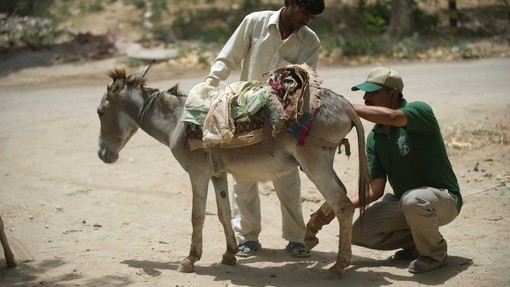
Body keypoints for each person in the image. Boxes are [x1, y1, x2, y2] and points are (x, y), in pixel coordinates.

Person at [306, 67, 462, 273]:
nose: (365, 97)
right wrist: (338, 207)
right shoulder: (374, 137)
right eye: (365, 92)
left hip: (443, 199)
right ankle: (416, 243)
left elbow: (393, 117)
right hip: (405, 204)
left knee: (413, 200)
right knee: (359, 231)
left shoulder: (420, 111)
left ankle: (435, 254)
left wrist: (343, 107)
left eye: (372, 92)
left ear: (393, 94)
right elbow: (375, 189)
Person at [204, 0, 325, 258]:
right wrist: (209, 84)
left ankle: (296, 238)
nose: (308, 21)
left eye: (312, 17)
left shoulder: (310, 41)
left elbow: (304, 80)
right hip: (243, 111)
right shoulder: (255, 22)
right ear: (291, 3)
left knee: (287, 178)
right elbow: (229, 56)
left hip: (281, 116)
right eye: (305, 13)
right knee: (243, 176)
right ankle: (247, 237)